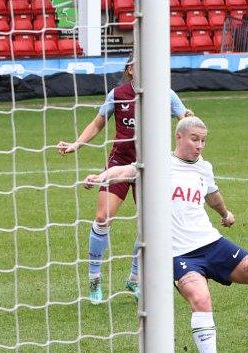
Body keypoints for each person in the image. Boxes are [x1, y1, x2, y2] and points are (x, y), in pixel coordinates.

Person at [83, 116, 248, 353]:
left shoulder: (204, 168)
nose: (200, 145)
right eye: (194, 139)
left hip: (213, 244)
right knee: (201, 300)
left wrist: (225, 213)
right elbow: (124, 171)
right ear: (179, 137)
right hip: (179, 256)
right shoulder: (158, 163)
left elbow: (212, 194)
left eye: (203, 140)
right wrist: (101, 177)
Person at [57, 52, 190, 304]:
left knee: (150, 226)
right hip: (120, 162)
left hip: (152, 167)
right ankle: (94, 279)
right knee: (102, 217)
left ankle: (134, 278)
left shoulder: (166, 94)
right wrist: (76, 144)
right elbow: (97, 124)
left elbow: (185, 120)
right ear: (131, 69)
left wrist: (188, 120)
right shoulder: (117, 94)